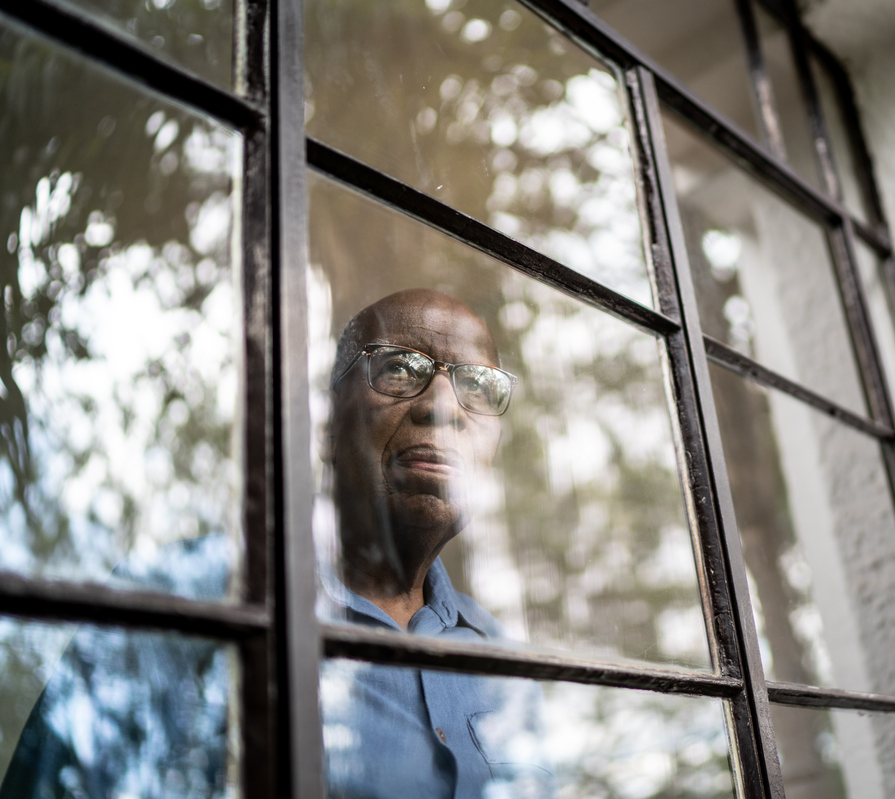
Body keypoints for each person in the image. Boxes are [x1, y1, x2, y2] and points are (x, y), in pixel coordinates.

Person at [0, 289, 553, 799]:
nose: (443, 405)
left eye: (478, 385)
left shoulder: (505, 664)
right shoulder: (186, 601)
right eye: (400, 368)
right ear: (326, 430)